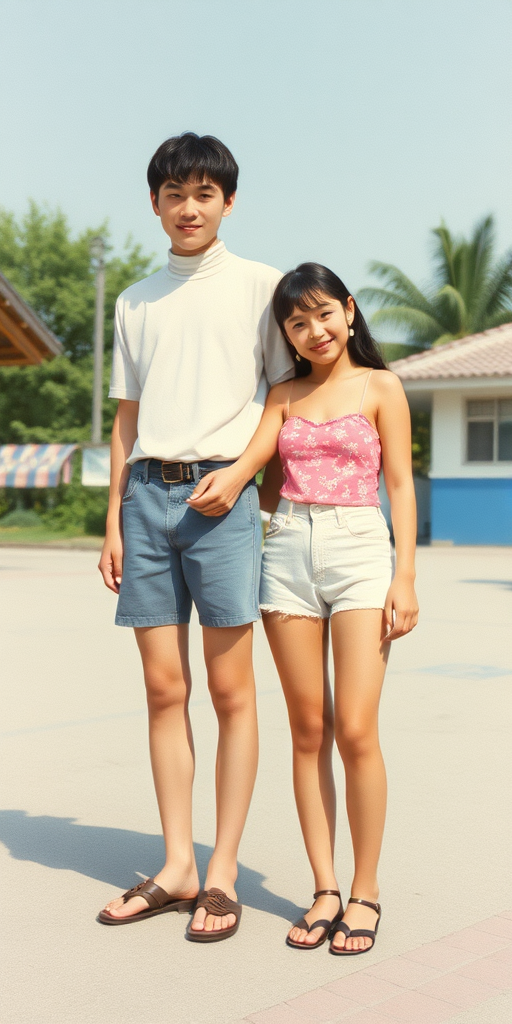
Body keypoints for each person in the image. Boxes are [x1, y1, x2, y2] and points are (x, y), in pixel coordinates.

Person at [189, 262, 419, 954]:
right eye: (297, 322)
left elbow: (401, 486)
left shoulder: (382, 386)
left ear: (348, 312)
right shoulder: (282, 396)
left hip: (359, 552)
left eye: (323, 314)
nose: (314, 330)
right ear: (285, 335)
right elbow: (259, 479)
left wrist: (404, 575)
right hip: (286, 550)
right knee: (308, 728)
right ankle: (324, 887)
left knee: (355, 727)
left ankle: (366, 889)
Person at [97, 132, 294, 941]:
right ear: (155, 203)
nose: (189, 207)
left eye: (205, 194)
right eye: (175, 194)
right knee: (163, 690)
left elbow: (282, 399)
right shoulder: (134, 299)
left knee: (230, 692)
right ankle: (177, 864)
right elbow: (126, 420)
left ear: (229, 202)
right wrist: (113, 518)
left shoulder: (262, 285)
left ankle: (222, 874)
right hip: (146, 498)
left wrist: (243, 470)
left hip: (224, 501)